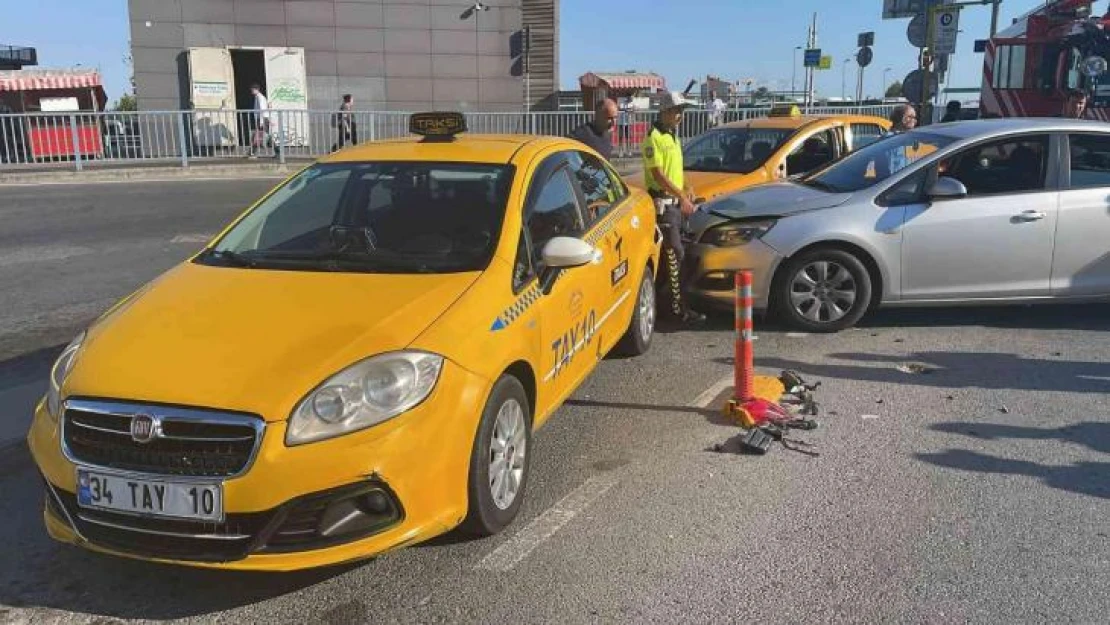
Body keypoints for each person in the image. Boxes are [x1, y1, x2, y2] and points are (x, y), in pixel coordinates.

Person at [642, 91, 705, 324]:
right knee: (674, 255)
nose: (681, 116)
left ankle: (674, 305)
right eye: (677, 111)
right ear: (665, 111)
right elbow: (658, 175)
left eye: (682, 111)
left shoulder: (673, 136)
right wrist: (680, 195)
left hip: (676, 205)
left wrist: (687, 187)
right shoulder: (653, 137)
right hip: (664, 205)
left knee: (681, 256)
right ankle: (675, 311)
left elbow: (676, 171)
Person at [247, 84, 275, 158]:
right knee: (259, 136)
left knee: (261, 136)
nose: (251, 91)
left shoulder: (260, 98)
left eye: (252, 90)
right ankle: (252, 153)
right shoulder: (258, 97)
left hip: (262, 119)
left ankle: (252, 153)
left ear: (256, 89)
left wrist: (262, 121)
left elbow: (263, 110)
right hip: (261, 119)